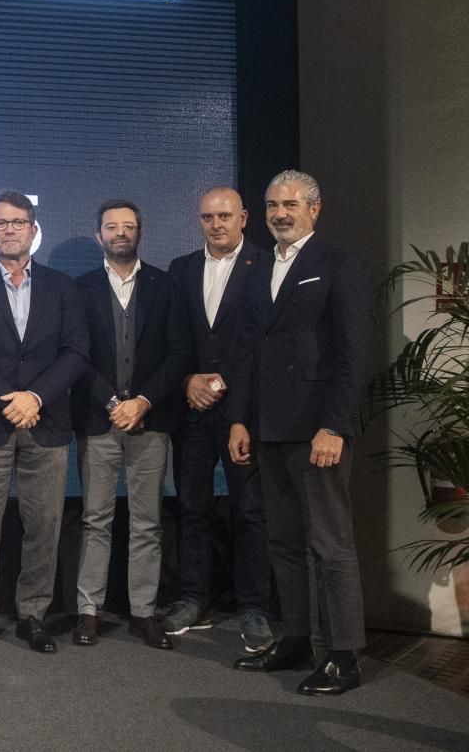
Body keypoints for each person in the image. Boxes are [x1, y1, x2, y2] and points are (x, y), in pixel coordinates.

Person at [227, 170, 368, 695]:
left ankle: (344, 655)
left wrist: (334, 425)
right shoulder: (258, 268)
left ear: (315, 209)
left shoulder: (339, 266)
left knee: (330, 544)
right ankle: (297, 639)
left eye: (290, 204)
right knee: (283, 542)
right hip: (267, 428)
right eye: (271, 206)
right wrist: (240, 419)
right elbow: (246, 350)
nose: (279, 214)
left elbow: (352, 356)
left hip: (317, 431)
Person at [0, 190, 88, 654]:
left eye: (18, 222)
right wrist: (10, 399)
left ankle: (32, 614)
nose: (9, 229)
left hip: (46, 423)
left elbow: (76, 352)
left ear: (33, 229)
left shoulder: (63, 288)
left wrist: (36, 397)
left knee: (44, 525)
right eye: (0, 223)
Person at [70, 200, 188, 651]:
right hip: (98, 421)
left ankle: (143, 614)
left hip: (151, 422)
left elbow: (179, 354)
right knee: (96, 520)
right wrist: (111, 401)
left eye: (129, 226)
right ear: (99, 235)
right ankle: (88, 612)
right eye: (112, 227)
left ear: (140, 232)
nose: (121, 233)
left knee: (148, 523)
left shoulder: (166, 285)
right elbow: (75, 355)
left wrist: (141, 401)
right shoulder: (79, 289)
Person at [161, 187, 272, 651]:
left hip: (243, 413)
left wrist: (228, 390)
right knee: (192, 509)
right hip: (192, 411)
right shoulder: (181, 269)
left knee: (250, 510)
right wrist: (187, 379)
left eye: (224, 215)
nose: (216, 224)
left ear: (243, 217)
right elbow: (174, 339)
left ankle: (254, 606)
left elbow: (264, 345)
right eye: (207, 217)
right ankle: (193, 597)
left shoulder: (266, 266)